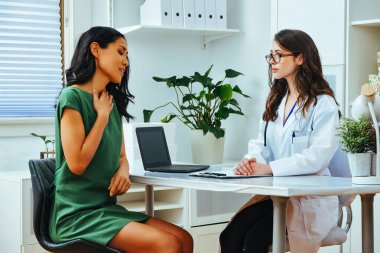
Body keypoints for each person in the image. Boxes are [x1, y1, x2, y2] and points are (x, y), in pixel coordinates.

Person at [49, 26, 193, 253]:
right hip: (76, 215)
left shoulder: (110, 102)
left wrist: (123, 171)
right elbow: (77, 165)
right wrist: (101, 119)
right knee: (168, 244)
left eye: (126, 55)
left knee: (184, 239)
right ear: (96, 50)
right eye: (120, 52)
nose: (126, 61)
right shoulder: (72, 97)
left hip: (104, 209)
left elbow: (122, 156)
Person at [219, 29, 340, 253]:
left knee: (255, 241)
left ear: (300, 58)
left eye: (278, 55)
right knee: (229, 236)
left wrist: (268, 169)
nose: (272, 62)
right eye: (270, 56)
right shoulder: (276, 101)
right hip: (276, 194)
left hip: (308, 198)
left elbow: (317, 158)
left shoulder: (323, 104)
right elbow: (260, 144)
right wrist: (249, 161)